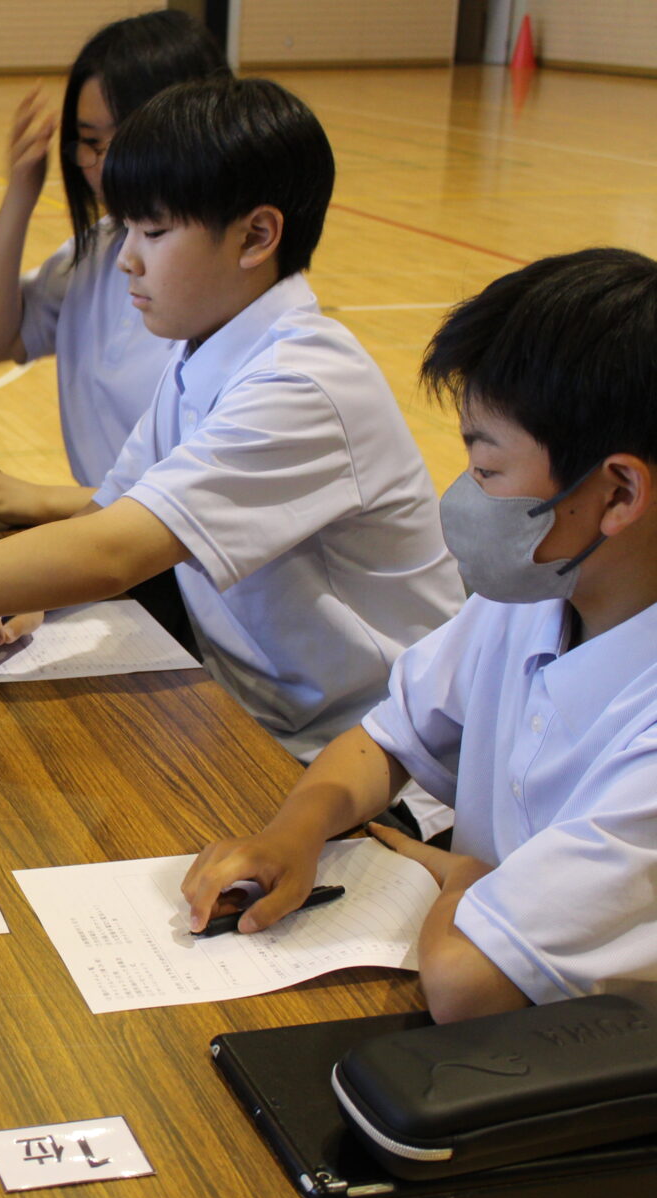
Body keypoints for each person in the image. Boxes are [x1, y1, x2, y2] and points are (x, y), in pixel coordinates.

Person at [0, 78, 463, 793]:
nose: (128, 258)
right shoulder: (205, 346)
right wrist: (35, 592)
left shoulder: (302, 382)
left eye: (154, 231)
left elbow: (113, 553)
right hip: (256, 716)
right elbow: (109, 513)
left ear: (257, 235)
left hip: (373, 760)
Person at [182, 249, 657, 1022]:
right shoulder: (542, 589)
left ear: (619, 492)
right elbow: (387, 739)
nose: (466, 496)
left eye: (489, 470)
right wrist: (292, 834)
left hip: (578, 1075)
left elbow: (467, 983)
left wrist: (467, 876)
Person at [0, 10, 226, 516]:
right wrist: (21, 192)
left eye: (124, 139)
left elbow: (200, 500)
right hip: (117, 533)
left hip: (176, 556)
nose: (103, 164)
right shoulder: (101, 248)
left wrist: (40, 499)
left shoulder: (220, 289)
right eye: (89, 141)